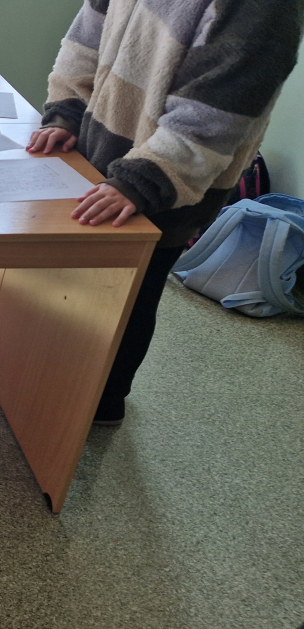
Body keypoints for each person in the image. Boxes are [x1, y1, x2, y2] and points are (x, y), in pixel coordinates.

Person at [27, 0, 303, 425]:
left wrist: (144, 180)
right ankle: (54, 378)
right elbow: (85, 39)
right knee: (79, 287)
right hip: (101, 154)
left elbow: (221, 107)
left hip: (167, 183)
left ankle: (102, 404)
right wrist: (66, 112)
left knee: (130, 296)